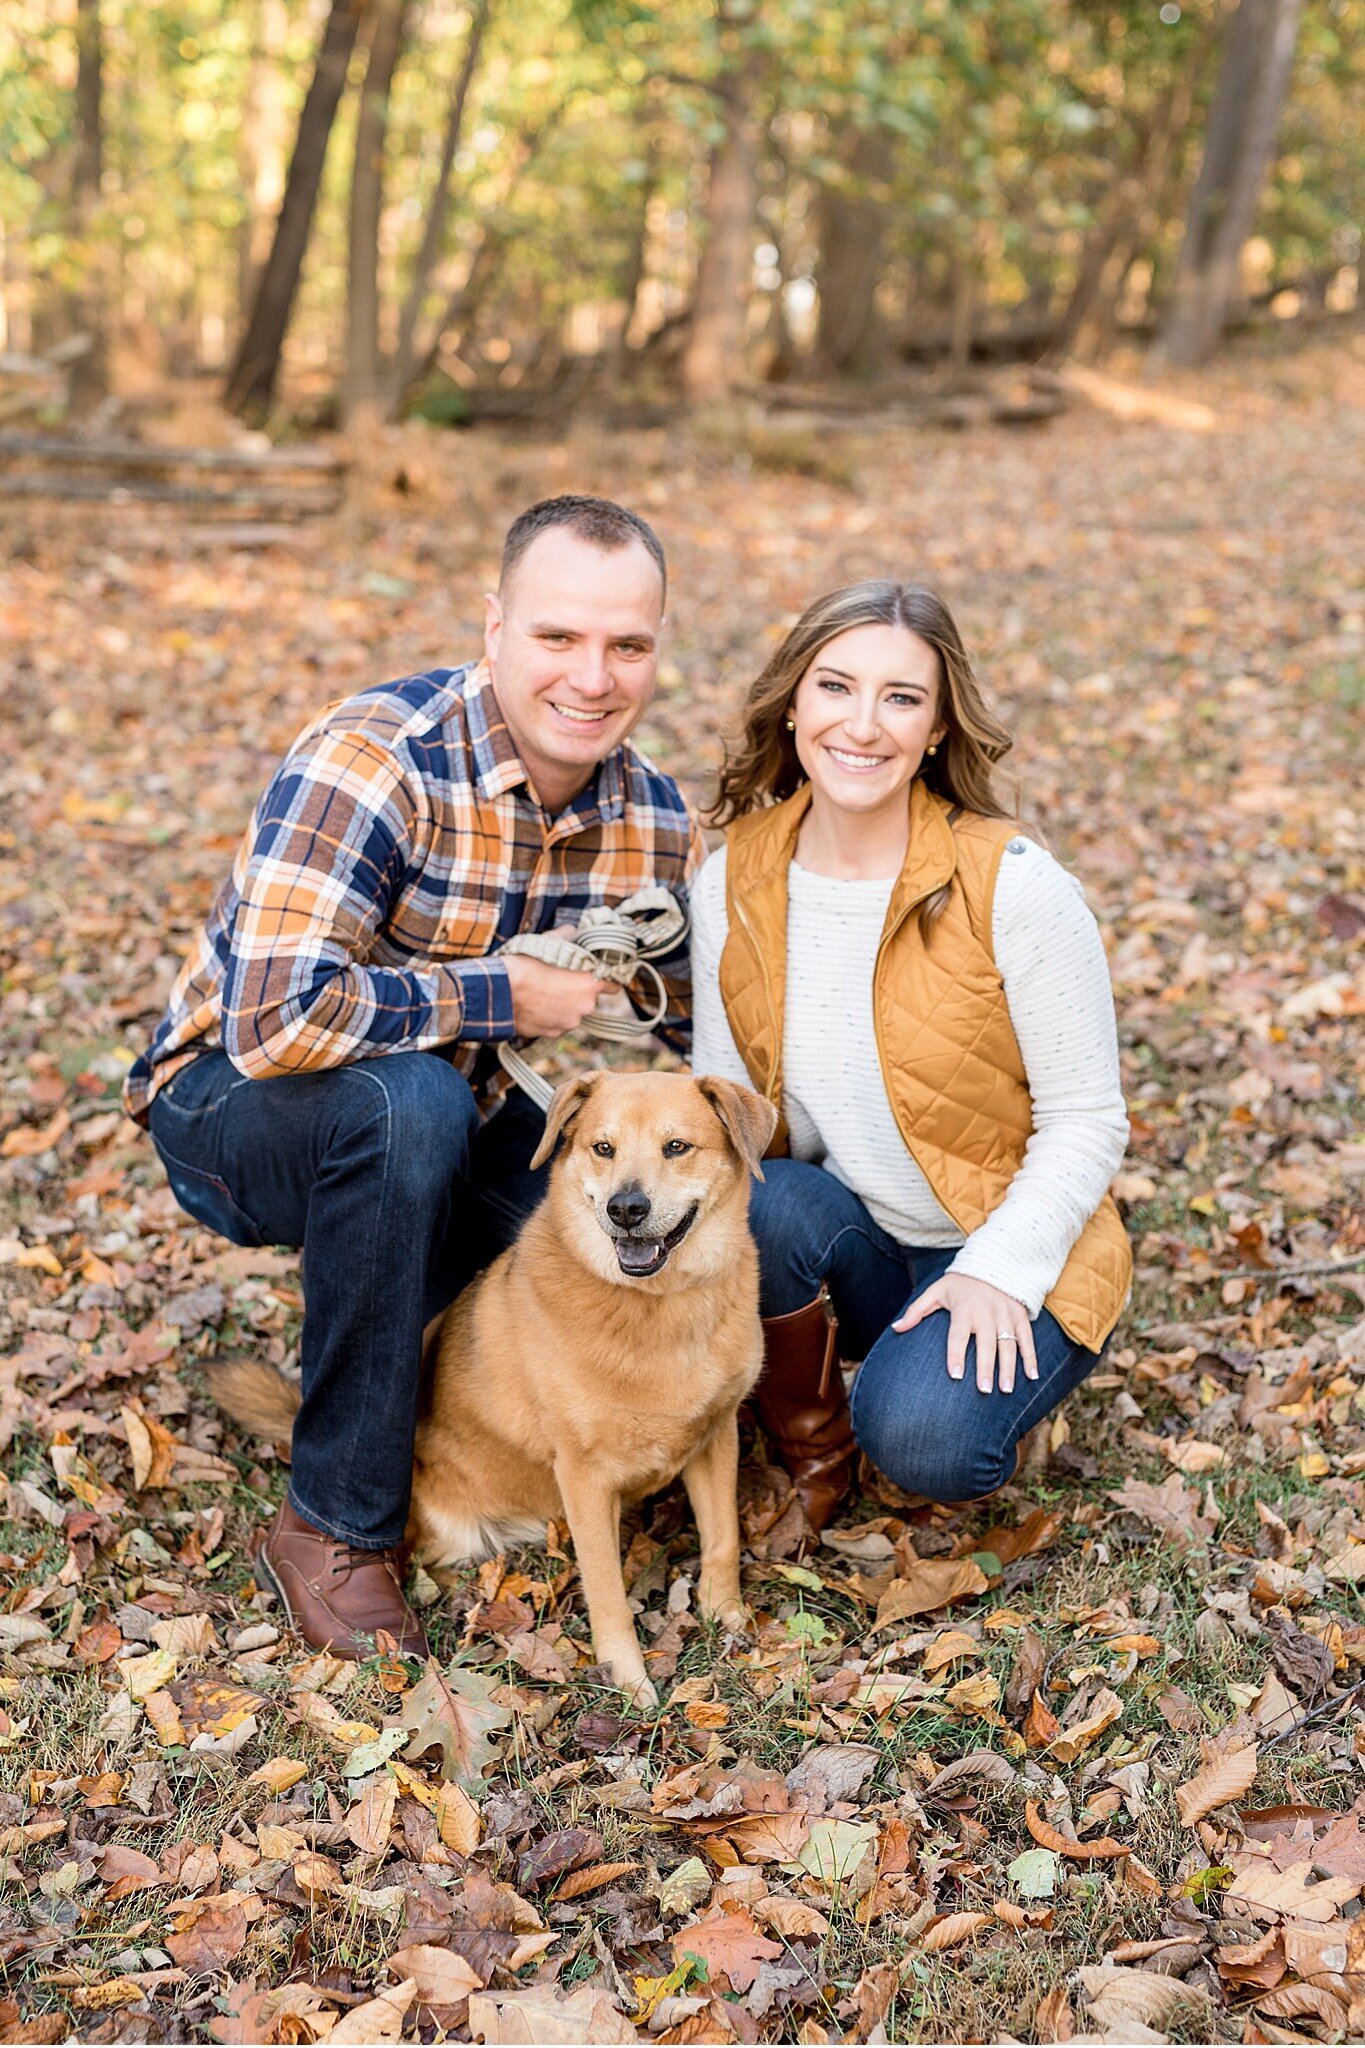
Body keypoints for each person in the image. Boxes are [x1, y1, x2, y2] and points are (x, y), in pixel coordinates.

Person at [124, 495, 704, 1658]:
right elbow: (272, 1017)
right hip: (233, 1104)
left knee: (593, 1212)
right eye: (558, 636)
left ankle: (633, 1438)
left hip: (450, 1117)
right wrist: (501, 994)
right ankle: (334, 1522)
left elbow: (701, 1033)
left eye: (626, 645)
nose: (593, 676)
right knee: (411, 1104)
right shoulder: (376, 758)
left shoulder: (648, 815)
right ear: (493, 628)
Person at [690, 581, 1131, 1533]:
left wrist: (998, 1268)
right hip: (859, 1234)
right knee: (754, 1192)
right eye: (835, 687)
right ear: (793, 704)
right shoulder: (733, 874)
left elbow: (1088, 1121)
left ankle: (960, 1382)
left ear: (936, 728)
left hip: (1006, 1229)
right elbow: (738, 1110)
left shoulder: (1008, 881)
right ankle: (815, 1442)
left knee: (931, 1445)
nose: (862, 724)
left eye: (900, 698)